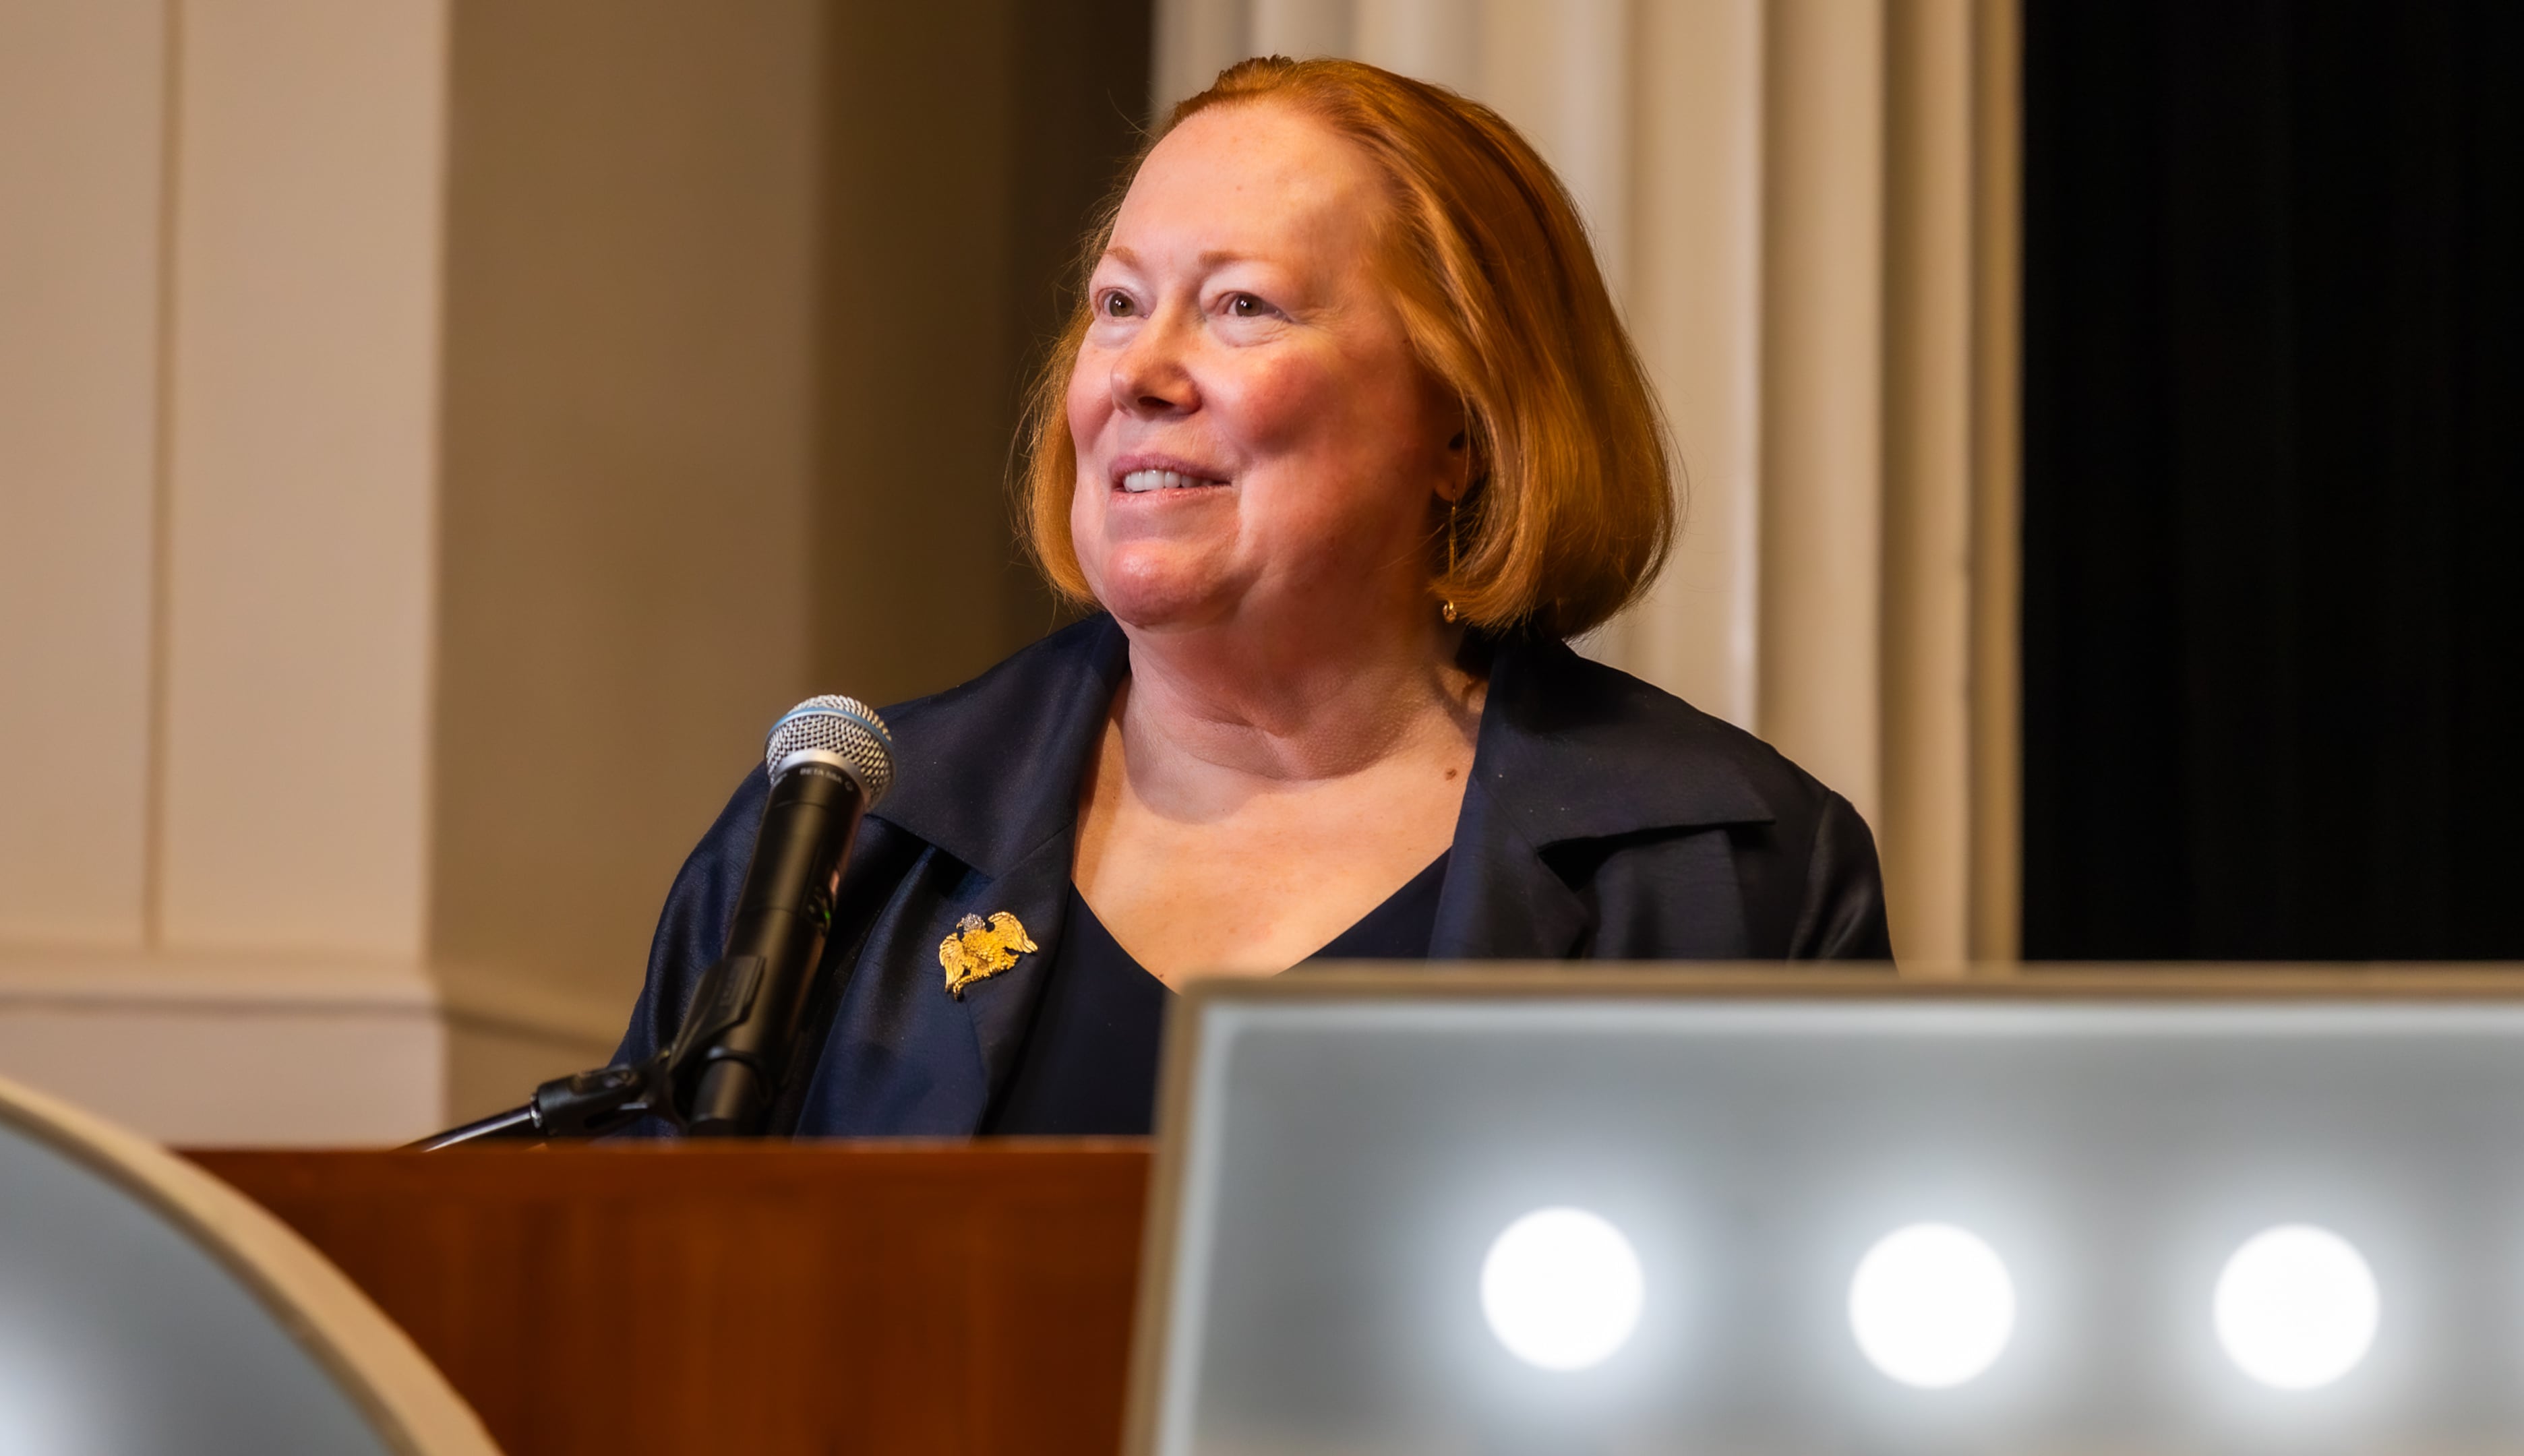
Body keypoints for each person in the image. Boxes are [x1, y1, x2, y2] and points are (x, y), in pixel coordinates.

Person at [611, 56, 1888, 1138]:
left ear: (1461, 420)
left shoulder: (1726, 872)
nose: (1138, 373)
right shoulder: (853, 839)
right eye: (1117, 304)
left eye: (1240, 306)